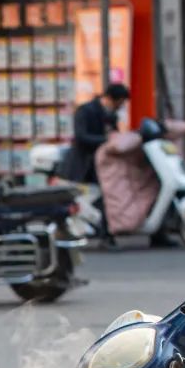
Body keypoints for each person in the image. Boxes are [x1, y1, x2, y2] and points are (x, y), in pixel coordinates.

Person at [60, 81, 130, 247]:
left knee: (106, 198)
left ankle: (106, 235)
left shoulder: (111, 115)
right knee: (83, 200)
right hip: (84, 165)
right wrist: (106, 141)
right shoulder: (85, 111)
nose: (119, 107)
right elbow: (81, 136)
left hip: (103, 165)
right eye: (119, 103)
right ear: (110, 98)